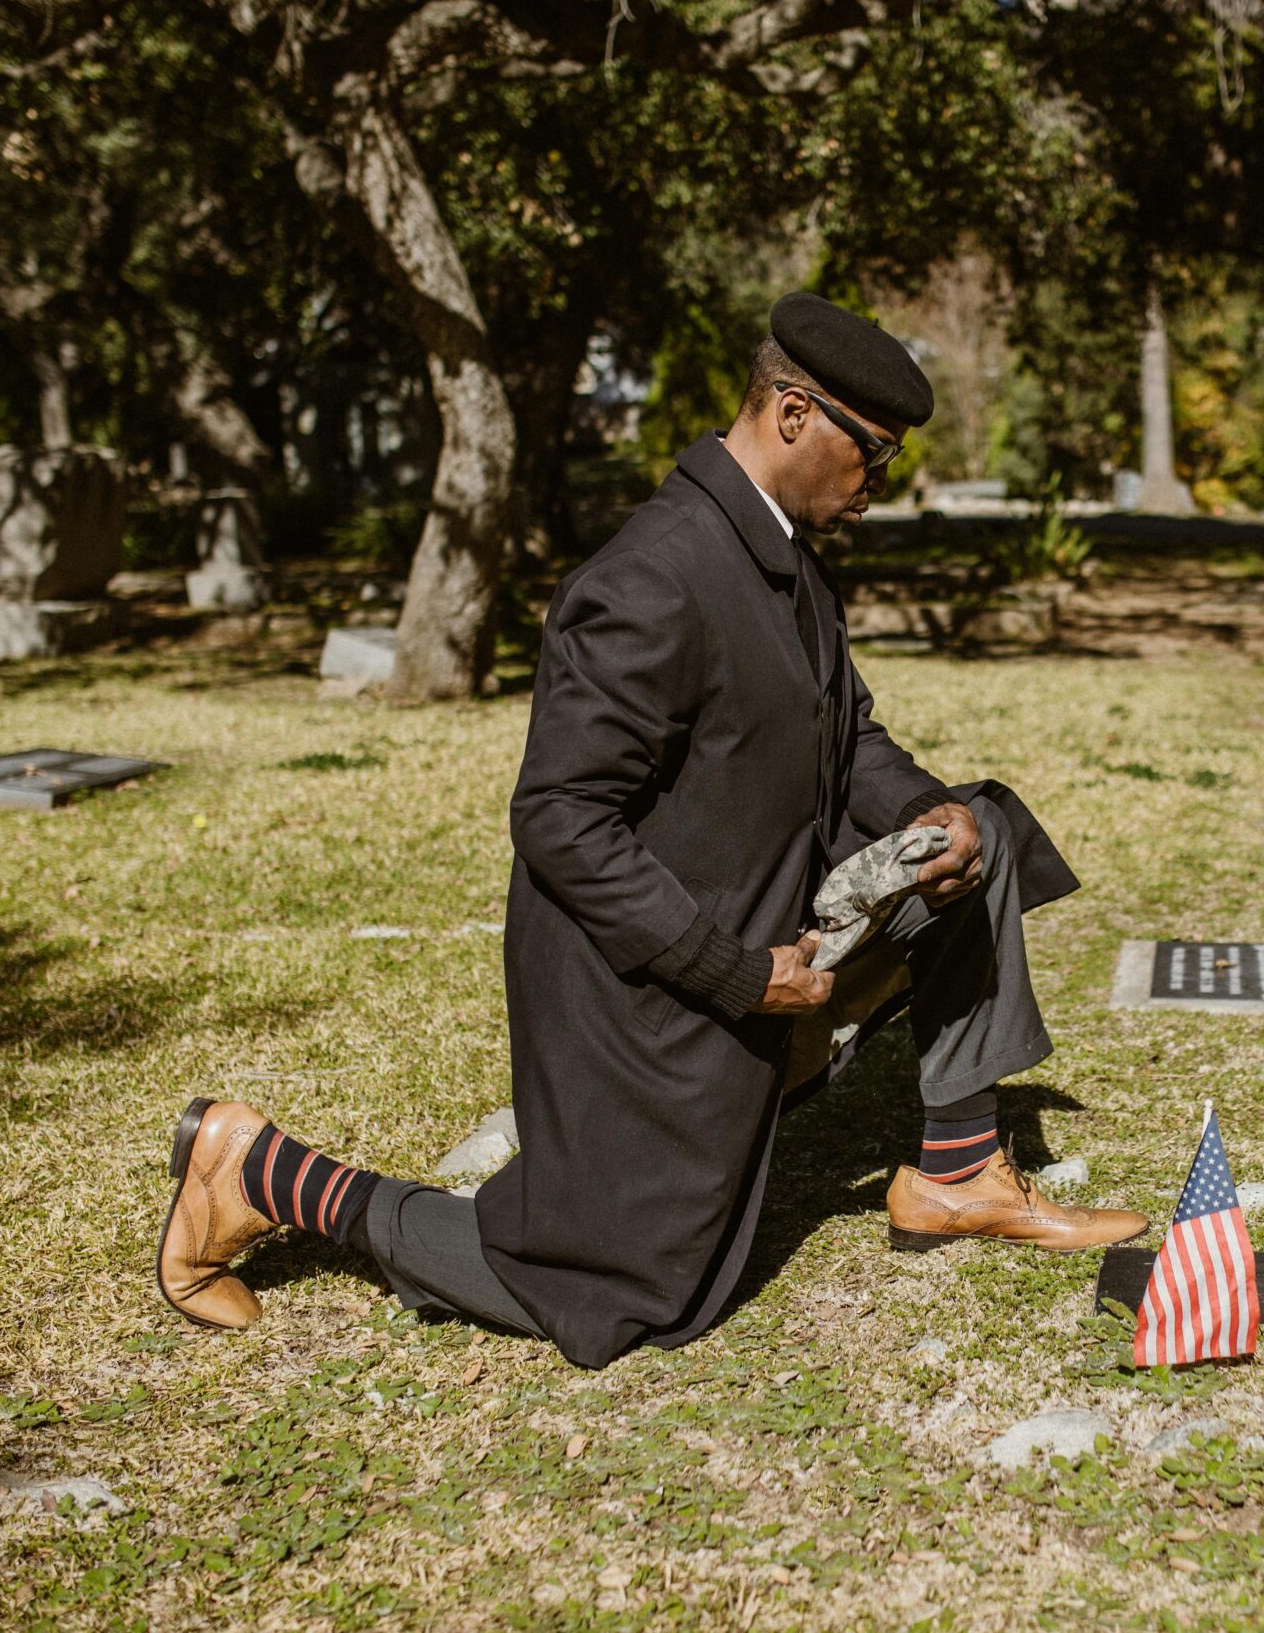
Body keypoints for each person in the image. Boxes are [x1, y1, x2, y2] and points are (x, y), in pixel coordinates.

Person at [156, 293, 1144, 1366]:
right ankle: (256, 1170)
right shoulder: (653, 576)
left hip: (769, 920)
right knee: (625, 1295)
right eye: (875, 457)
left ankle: (954, 1171)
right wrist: (740, 978)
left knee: (980, 831)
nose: (880, 487)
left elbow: (845, 733)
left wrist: (926, 811)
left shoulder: (784, 555)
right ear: (796, 413)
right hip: (648, 984)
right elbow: (559, 821)